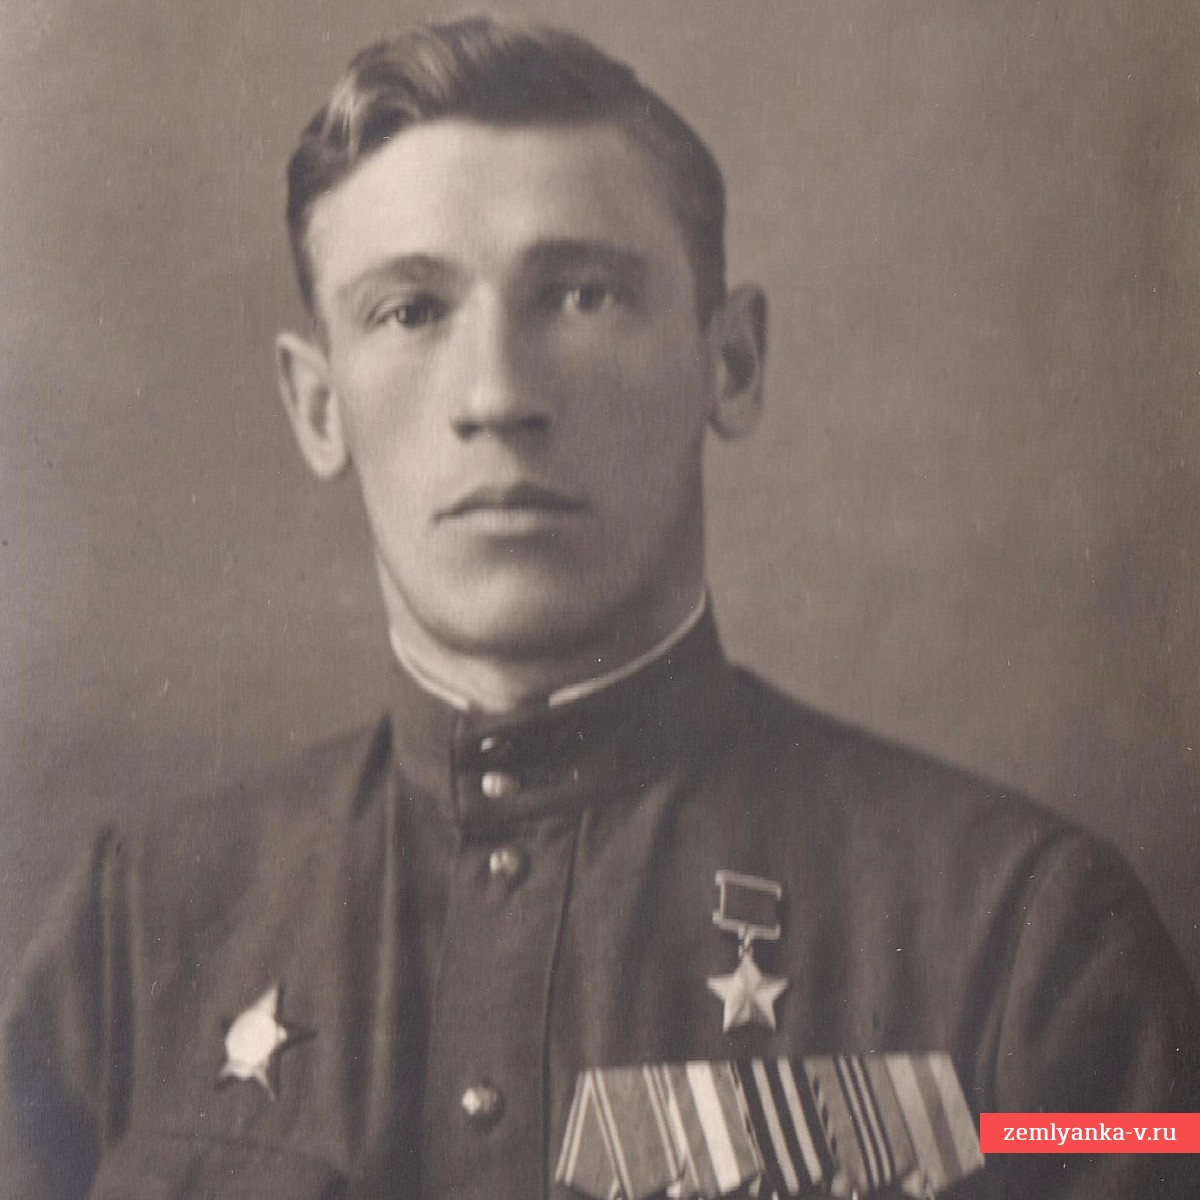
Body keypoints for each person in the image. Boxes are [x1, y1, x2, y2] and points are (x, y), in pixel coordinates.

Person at [2, 16, 1196, 1200]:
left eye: (581, 296)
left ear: (731, 362)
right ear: (319, 406)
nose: (497, 395)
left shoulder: (1030, 940)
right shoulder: (130, 942)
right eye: (410, 311)